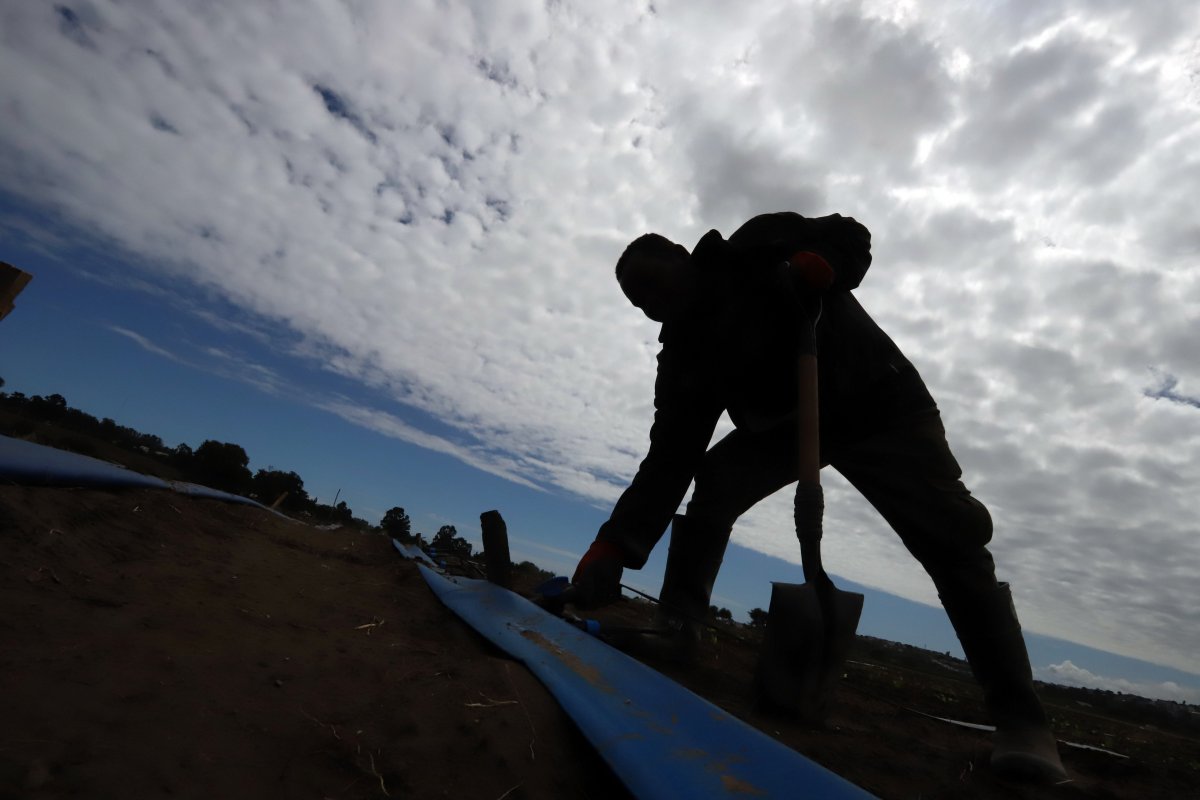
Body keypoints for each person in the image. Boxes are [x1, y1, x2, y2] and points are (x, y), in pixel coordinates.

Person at [571, 212, 1067, 783]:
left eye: (655, 286)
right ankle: (679, 629)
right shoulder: (686, 353)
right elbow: (669, 457)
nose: (652, 305)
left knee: (950, 537)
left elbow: (850, 235)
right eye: (639, 303)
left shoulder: (758, 246)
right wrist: (614, 543)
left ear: (685, 258)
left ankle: (1022, 722)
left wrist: (825, 265)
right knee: (716, 481)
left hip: (875, 399)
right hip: (788, 425)